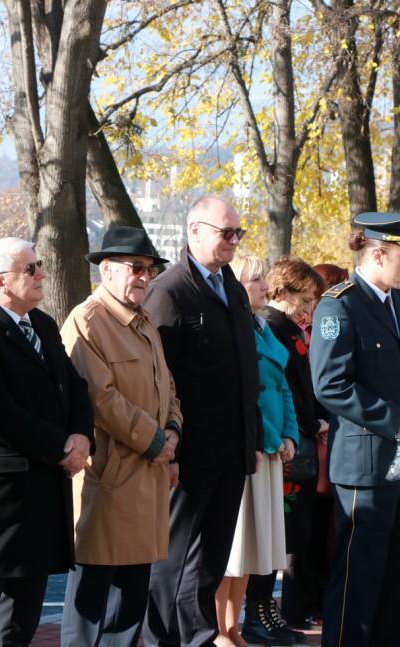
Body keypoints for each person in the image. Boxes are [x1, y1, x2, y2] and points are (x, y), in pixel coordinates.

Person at [0, 237, 94, 647]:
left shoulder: (42, 324)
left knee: (20, 617)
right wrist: (63, 447)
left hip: (42, 490)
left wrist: (82, 435)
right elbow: (0, 411)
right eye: (31, 268)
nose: (42, 273)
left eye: (40, 264)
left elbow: (75, 387)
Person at [310, 211, 400, 647]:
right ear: (378, 253)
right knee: (359, 582)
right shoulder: (339, 304)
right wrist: (396, 418)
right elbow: (330, 385)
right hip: (366, 465)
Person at [143, 196, 261, 647]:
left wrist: (251, 437)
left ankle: (199, 638)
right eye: (224, 232)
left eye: (238, 233)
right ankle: (161, 640)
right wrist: (168, 450)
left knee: (210, 560)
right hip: (188, 454)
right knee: (172, 559)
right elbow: (159, 379)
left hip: (231, 450)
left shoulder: (230, 286)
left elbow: (244, 371)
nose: (233, 241)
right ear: (194, 231)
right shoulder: (170, 290)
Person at [60, 226, 182, 647]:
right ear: (106, 270)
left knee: (131, 603)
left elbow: (167, 387)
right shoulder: (87, 320)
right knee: (92, 601)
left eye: (150, 269)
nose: (145, 277)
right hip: (109, 478)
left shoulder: (145, 322)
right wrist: (156, 440)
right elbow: (100, 398)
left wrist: (173, 431)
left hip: (148, 477)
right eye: (136, 268)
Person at [218, 255, 296, 647]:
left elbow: (282, 388)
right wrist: (263, 438)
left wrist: (289, 436)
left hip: (268, 451)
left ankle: (234, 626)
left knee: (253, 546)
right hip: (244, 449)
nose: (266, 287)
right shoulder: (232, 328)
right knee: (231, 547)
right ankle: (218, 629)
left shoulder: (263, 327)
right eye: (256, 280)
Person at [257, 256, 328, 638]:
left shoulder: (288, 328)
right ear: (281, 291)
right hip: (285, 445)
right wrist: (309, 422)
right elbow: (283, 389)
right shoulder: (273, 326)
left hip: (296, 442)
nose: (308, 308)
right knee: (278, 536)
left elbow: (304, 385)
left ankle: (275, 609)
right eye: (304, 299)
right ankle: (264, 609)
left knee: (293, 533)